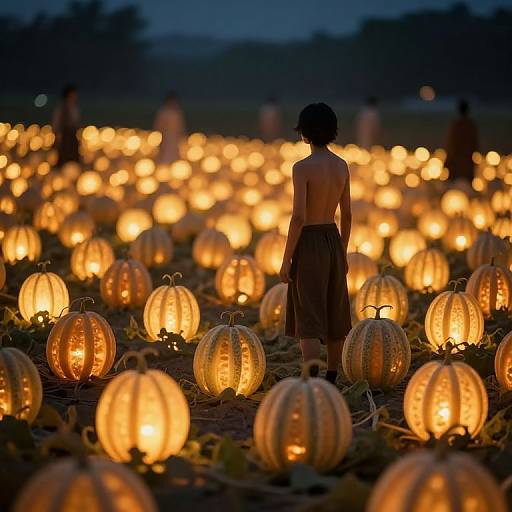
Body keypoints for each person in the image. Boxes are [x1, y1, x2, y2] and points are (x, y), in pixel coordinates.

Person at [280, 103, 352, 384]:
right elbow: (347, 214)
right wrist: (342, 251)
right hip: (332, 239)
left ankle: (310, 379)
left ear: (304, 134)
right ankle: (331, 377)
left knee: (308, 315)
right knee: (335, 312)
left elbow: (298, 216)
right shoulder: (341, 166)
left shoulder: (302, 168)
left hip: (309, 241)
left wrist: (286, 258)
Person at [445, 99, 479, 182]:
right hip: (466, 164)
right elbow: (475, 146)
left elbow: (450, 145)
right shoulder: (470, 126)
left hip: (456, 164)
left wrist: (447, 162)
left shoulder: (455, 126)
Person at [153, 91, 186, 164]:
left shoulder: (177, 113)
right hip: (165, 139)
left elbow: (181, 127)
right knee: (165, 156)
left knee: (174, 155)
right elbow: (158, 126)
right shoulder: (163, 112)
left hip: (175, 139)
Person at [52, 84, 80, 166]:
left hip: (72, 134)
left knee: (73, 155)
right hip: (65, 135)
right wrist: (58, 135)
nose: (75, 97)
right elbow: (56, 122)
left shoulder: (75, 107)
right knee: (64, 155)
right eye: (73, 95)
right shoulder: (62, 108)